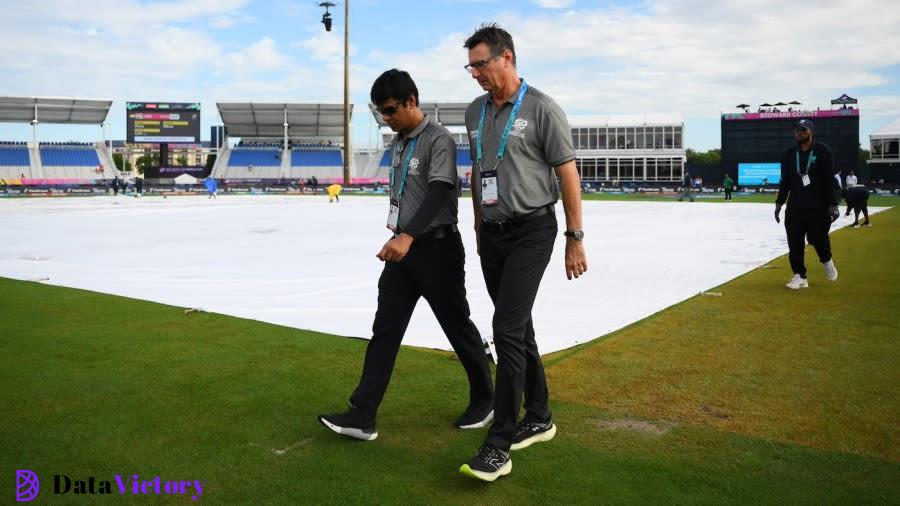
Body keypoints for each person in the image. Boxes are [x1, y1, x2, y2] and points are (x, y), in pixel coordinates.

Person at [318, 69, 494, 441]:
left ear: (411, 101)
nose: (386, 118)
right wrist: (402, 235)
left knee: (457, 326)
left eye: (390, 110)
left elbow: (439, 191)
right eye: (380, 112)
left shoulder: (439, 139)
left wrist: (408, 235)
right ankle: (363, 415)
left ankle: (486, 399)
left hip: (437, 248)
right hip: (404, 249)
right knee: (385, 329)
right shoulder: (397, 142)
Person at [458, 23, 587, 482]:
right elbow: (477, 172)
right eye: (470, 66)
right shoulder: (474, 112)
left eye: (481, 64)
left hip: (534, 229)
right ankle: (541, 415)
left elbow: (567, 174)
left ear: (506, 58)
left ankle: (499, 444)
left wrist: (575, 236)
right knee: (519, 327)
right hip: (492, 233)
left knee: (506, 327)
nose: (475, 74)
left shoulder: (542, 109)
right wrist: (477, 226)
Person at [774, 119, 840, 289]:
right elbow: (785, 180)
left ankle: (826, 260)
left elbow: (829, 179)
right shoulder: (789, 153)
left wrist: (833, 204)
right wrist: (780, 202)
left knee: (817, 238)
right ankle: (799, 275)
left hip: (818, 205)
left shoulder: (823, 151)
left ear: (811, 132)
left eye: (803, 129)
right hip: (795, 205)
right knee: (794, 241)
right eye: (796, 130)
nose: (799, 133)